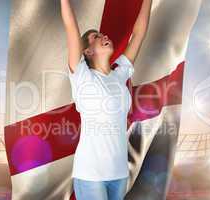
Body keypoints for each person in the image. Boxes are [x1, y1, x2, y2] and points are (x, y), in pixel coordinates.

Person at [61, 0, 152, 199]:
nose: (105, 36)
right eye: (96, 37)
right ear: (87, 51)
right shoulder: (82, 75)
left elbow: (138, 35)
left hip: (119, 174)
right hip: (91, 174)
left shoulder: (119, 75)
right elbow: (71, 27)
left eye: (103, 35)